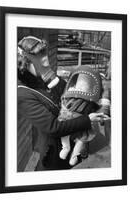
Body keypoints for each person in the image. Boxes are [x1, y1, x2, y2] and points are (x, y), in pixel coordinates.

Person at [17, 36, 105, 171]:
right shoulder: (23, 93)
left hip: (75, 138)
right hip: (54, 152)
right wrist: (88, 119)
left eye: (44, 55)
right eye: (39, 58)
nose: (45, 62)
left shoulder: (43, 77)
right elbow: (53, 128)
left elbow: (68, 93)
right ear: (25, 62)